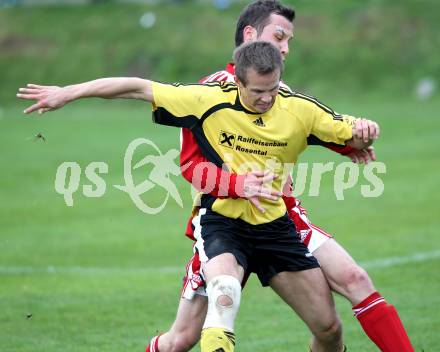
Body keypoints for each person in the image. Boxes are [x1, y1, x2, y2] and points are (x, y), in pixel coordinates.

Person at [17, 41, 379, 352]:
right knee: (223, 292)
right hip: (224, 224)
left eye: (272, 89)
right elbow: (136, 87)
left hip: (275, 228)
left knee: (329, 330)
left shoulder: (298, 107)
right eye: (257, 91)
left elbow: (351, 134)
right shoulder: (207, 100)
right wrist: (69, 92)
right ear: (237, 79)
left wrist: (366, 131)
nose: (267, 98)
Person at [145, 1, 414, 352]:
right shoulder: (207, 95)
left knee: (348, 291)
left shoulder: (276, 93)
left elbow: (307, 128)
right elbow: (191, 166)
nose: (286, 47)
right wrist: (238, 186)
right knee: (182, 338)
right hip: (226, 221)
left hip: (280, 215)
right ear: (250, 36)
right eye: (279, 36)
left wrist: (354, 142)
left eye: (289, 40)